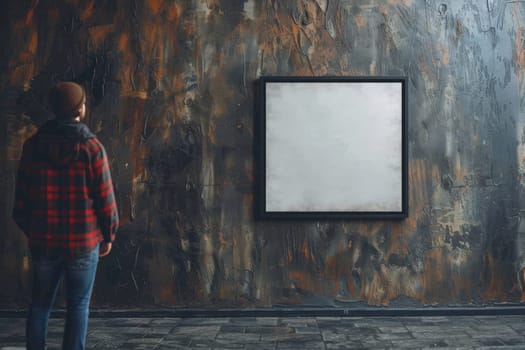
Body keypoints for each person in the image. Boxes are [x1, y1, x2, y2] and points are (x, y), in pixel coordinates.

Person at [12, 81, 119, 350]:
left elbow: (21, 203)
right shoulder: (92, 148)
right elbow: (106, 200)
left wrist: (34, 232)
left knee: (39, 306)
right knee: (78, 306)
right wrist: (108, 235)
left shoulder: (33, 146)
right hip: (83, 243)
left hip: (44, 242)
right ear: (79, 110)